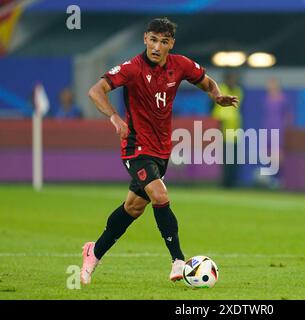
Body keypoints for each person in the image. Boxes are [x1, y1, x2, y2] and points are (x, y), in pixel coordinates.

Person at [81, 18, 238, 284]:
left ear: (170, 44)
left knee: (133, 207)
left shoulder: (180, 65)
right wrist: (115, 118)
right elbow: (95, 91)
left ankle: (93, 252)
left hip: (161, 149)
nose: (157, 46)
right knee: (159, 194)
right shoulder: (132, 68)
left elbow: (207, 81)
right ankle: (178, 260)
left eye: (163, 42)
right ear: (145, 39)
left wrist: (216, 95)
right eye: (153, 39)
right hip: (135, 146)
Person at [211, 71, 243, 188]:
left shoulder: (238, 90)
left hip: (234, 130)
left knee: (234, 159)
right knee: (225, 159)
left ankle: (232, 182)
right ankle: (225, 183)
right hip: (223, 130)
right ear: (227, 79)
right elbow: (218, 111)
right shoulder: (221, 89)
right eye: (231, 78)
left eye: (234, 79)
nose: (233, 81)